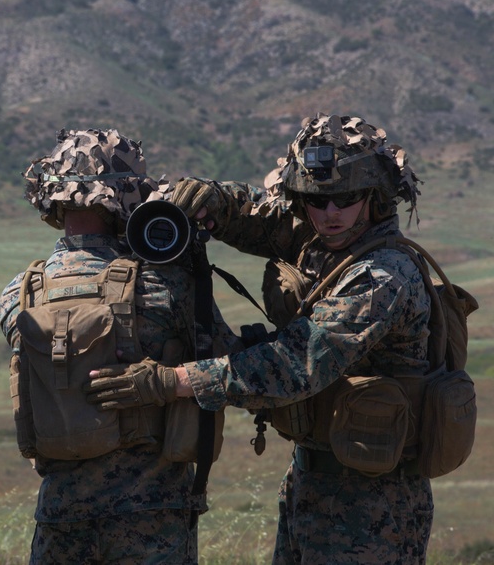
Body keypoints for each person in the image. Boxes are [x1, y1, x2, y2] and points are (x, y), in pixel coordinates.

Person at [89, 113, 432, 564]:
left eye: (344, 199)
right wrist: (215, 199)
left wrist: (172, 382)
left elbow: (292, 366)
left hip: (375, 501)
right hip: (314, 478)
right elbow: (260, 216)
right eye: (315, 199)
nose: (329, 214)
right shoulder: (323, 237)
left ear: (375, 196)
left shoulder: (383, 275)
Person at [0, 128, 235, 565]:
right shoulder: (166, 284)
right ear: (127, 198)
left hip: (60, 513)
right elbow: (230, 368)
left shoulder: (19, 294)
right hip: (154, 515)